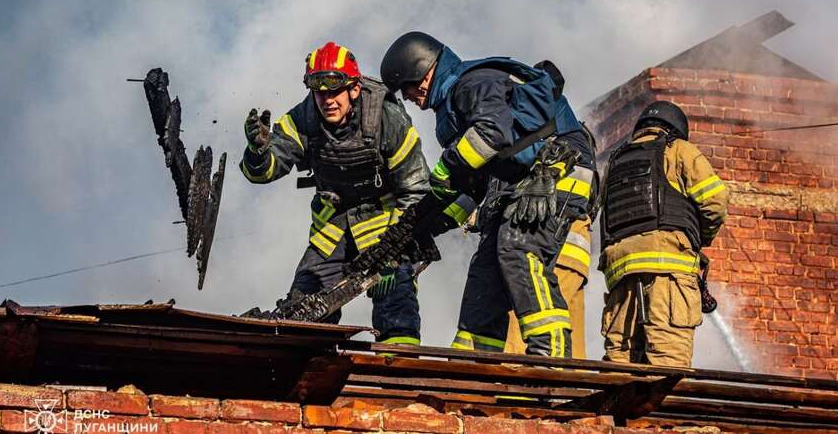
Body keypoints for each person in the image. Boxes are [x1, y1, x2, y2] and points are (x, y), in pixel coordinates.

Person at [380, 32, 597, 358]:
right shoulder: (450, 110)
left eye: (407, 88)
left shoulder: (472, 84)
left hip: (559, 170)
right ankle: (474, 366)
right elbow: (470, 186)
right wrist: (421, 227)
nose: (408, 96)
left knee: (517, 247)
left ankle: (549, 359)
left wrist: (446, 167)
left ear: (422, 71)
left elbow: (492, 133)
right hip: (521, 181)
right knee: (484, 270)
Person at [240, 41, 430, 346]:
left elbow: (415, 189)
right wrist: (258, 151)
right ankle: (306, 375)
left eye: (335, 90)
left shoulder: (387, 118)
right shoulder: (303, 119)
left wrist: (396, 249)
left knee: (395, 297)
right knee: (303, 308)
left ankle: (399, 374)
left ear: (354, 89)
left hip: (386, 224)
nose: (327, 100)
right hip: (333, 228)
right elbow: (261, 174)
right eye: (320, 92)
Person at [598, 100, 728, 367]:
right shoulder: (678, 150)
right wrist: (698, 237)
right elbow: (716, 201)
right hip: (668, 274)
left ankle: (615, 409)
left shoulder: (613, 163)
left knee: (619, 365)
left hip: (621, 277)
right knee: (667, 368)